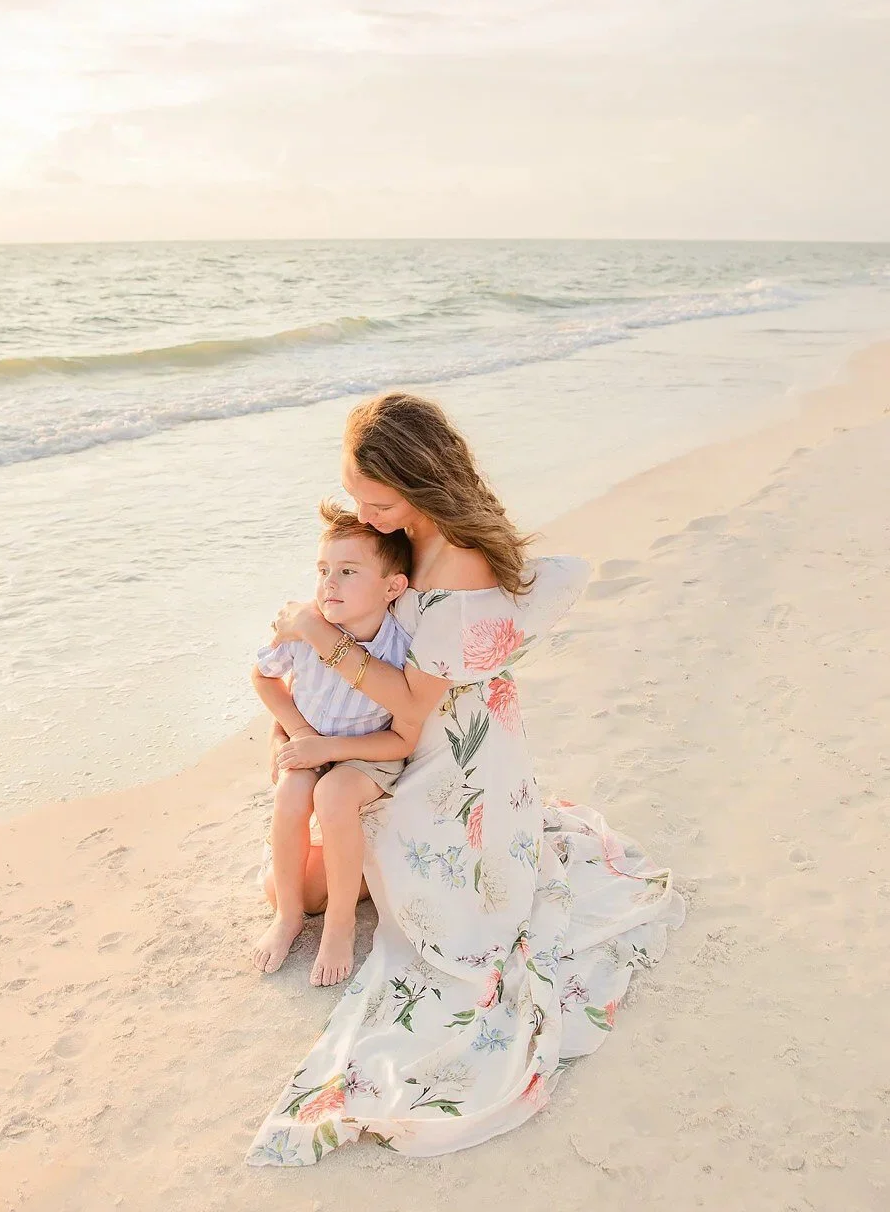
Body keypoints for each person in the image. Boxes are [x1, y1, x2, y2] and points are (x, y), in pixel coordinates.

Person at [247, 392, 685, 1168]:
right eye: (355, 494)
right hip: (469, 740)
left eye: (372, 495)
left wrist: (318, 636)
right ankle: (322, 889)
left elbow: (413, 703)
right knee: (303, 855)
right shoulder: (418, 530)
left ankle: (336, 905)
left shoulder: (450, 562)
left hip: (444, 757)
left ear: (415, 479)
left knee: (326, 890)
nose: (361, 508)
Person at [251, 500, 416, 986]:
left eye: (347, 571)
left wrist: (331, 751)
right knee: (292, 790)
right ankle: (288, 916)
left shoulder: (398, 647)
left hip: (366, 754)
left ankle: (340, 925)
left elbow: (399, 742)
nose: (329, 584)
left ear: (393, 587)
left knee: (334, 794)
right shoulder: (305, 631)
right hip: (313, 741)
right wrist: (301, 733)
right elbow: (262, 678)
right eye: (323, 570)